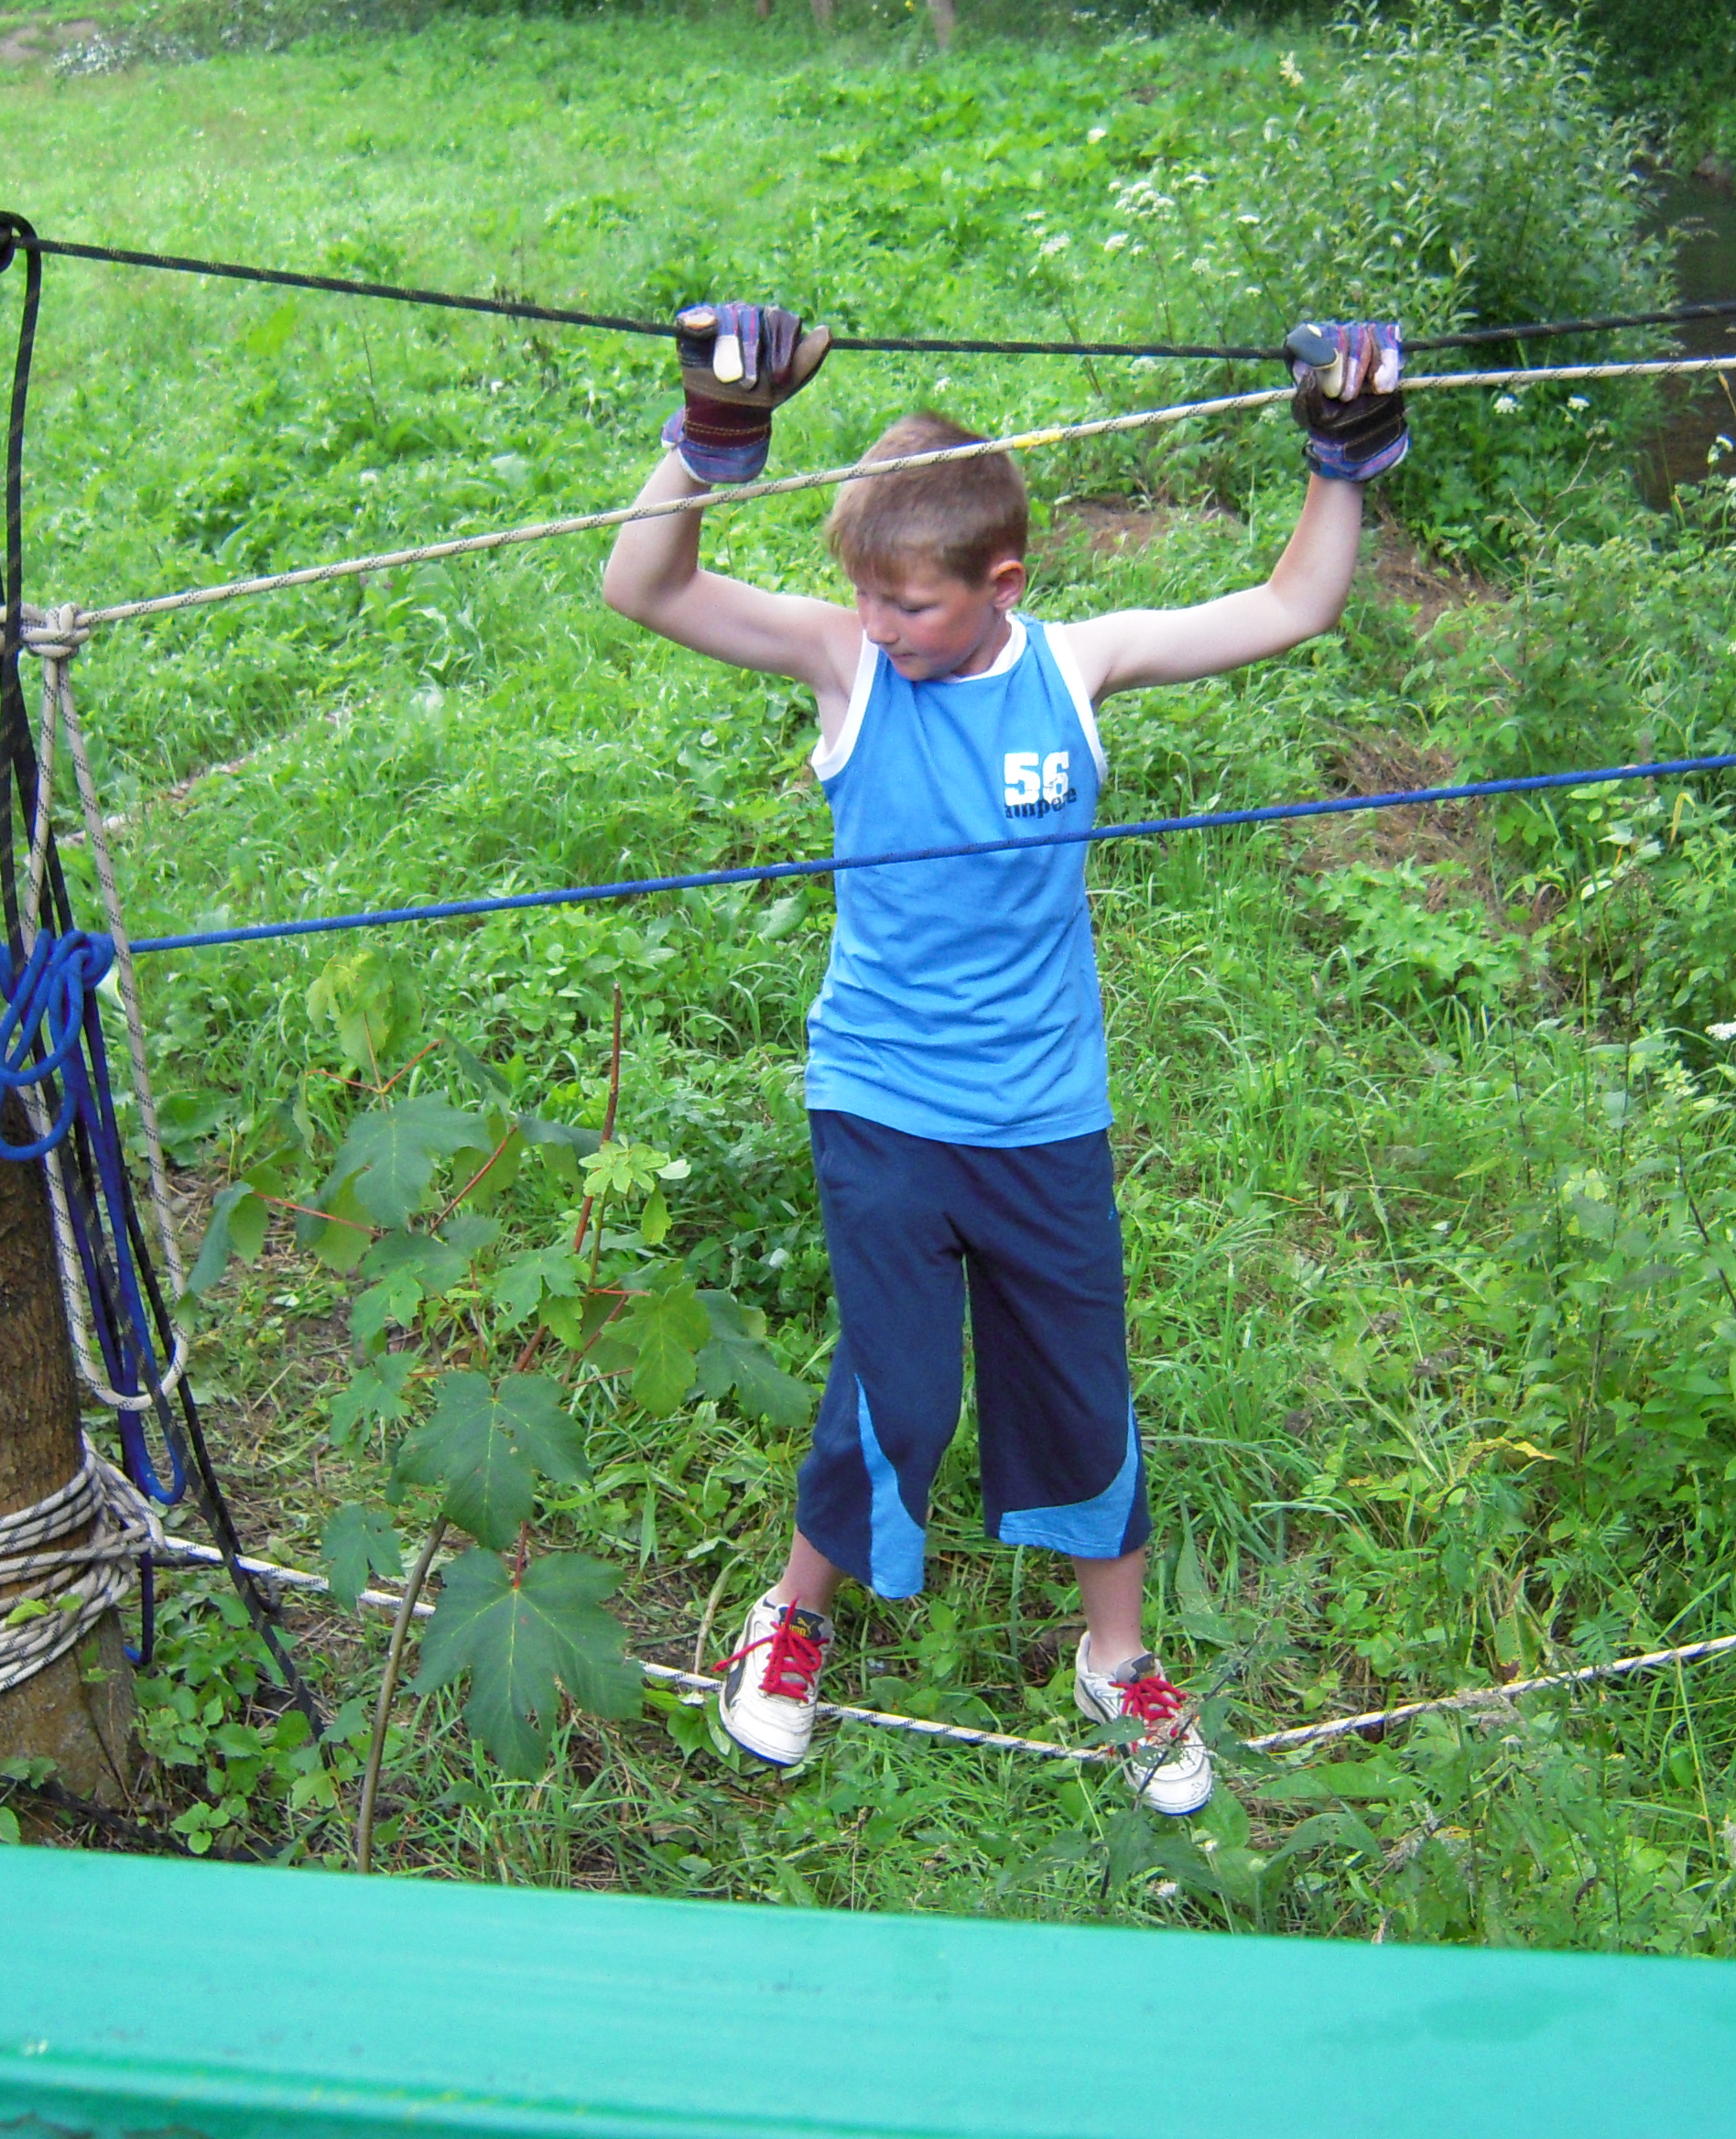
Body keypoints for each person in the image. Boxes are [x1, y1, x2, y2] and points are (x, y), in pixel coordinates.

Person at [602, 300, 1408, 1813]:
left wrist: (1340, 459)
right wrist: (712, 439)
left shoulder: (1078, 668)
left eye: (912, 606)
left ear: (1002, 585)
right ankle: (792, 1618)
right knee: (901, 1391)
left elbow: (1293, 604)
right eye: (867, 598)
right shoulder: (847, 664)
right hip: (884, 1101)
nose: (880, 627)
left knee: (1081, 1385)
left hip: (1043, 1114)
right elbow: (644, 584)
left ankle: (1118, 1658)